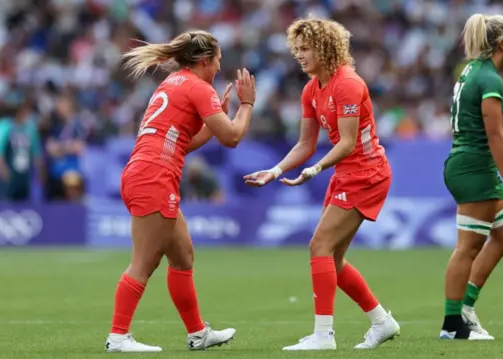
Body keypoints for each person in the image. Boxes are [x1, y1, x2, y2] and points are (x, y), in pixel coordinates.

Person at [244, 17, 399, 351]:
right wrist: (274, 170)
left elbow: (345, 142)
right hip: (347, 173)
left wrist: (314, 172)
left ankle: (324, 336)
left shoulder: (348, 84)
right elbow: (305, 144)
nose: (299, 55)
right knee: (333, 258)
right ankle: (382, 322)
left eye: (306, 48)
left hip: (367, 174)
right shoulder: (311, 89)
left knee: (319, 247)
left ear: (325, 47)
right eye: (296, 49)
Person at [104, 30, 257, 353]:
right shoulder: (199, 87)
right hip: (153, 177)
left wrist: (218, 121)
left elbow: (184, 143)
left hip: (145, 172)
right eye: (217, 61)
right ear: (204, 60)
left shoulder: (173, 82)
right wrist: (246, 105)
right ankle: (118, 337)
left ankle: (198, 333)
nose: (219, 68)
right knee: (144, 262)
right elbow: (231, 138)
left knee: (183, 256)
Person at [441, 13, 503, 340]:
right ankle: (452, 324)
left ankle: (466, 309)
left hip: (469, 162)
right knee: (468, 247)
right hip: (476, 167)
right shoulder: (489, 78)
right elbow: (495, 134)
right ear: (502, 44)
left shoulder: (470, 71)